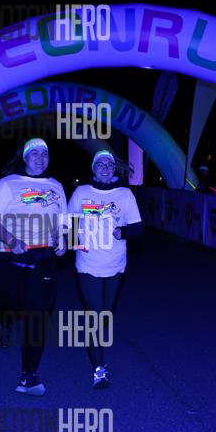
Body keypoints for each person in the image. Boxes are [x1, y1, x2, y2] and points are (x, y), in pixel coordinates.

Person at [0, 137, 66, 396]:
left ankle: (29, 375)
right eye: (34, 153)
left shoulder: (56, 187)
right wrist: (11, 240)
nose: (40, 158)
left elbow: (64, 221)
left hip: (42, 258)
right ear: (25, 158)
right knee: (11, 303)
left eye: (44, 153)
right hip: (6, 256)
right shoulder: (8, 184)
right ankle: (5, 320)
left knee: (37, 313)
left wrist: (62, 239)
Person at [67, 150, 142, 388]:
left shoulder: (125, 194)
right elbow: (69, 224)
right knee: (96, 317)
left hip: (116, 265)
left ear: (114, 169)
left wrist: (124, 231)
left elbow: (138, 228)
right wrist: (75, 244)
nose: (105, 168)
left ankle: (95, 345)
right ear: (93, 168)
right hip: (88, 265)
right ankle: (99, 370)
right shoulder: (81, 193)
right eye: (100, 164)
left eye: (109, 164)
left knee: (104, 316)